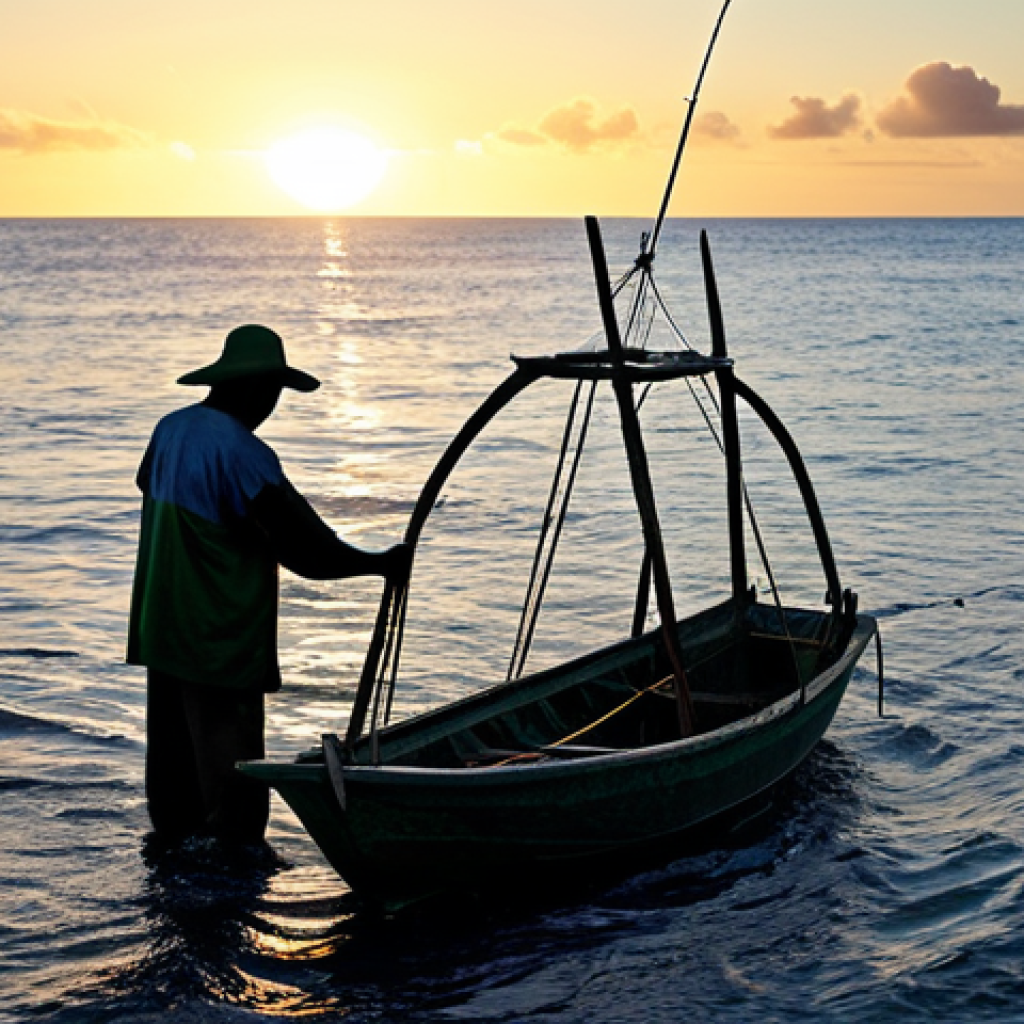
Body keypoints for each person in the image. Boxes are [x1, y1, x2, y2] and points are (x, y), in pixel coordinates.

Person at [127, 324, 409, 844]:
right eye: (275, 392)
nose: (273, 404)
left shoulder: (169, 429)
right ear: (259, 388)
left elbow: (148, 483)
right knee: (233, 782)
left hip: (160, 625)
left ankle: (172, 871)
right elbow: (308, 550)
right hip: (218, 637)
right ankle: (234, 874)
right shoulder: (244, 454)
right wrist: (379, 563)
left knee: (173, 768)